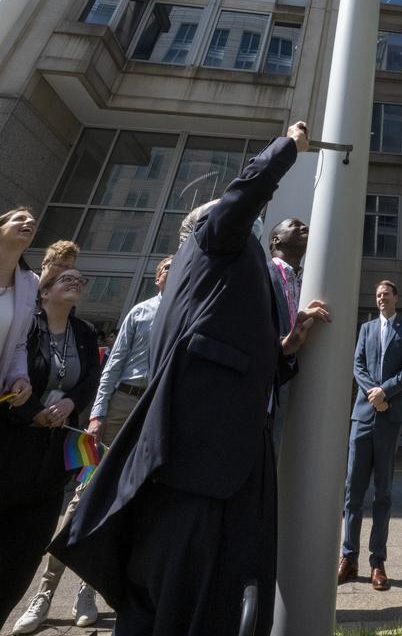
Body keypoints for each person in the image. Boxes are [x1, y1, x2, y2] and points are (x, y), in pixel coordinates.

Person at [52, 122, 330, 636]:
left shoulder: (218, 279)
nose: (254, 221)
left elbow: (236, 349)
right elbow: (243, 194)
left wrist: (286, 349)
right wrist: (289, 145)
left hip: (219, 456)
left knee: (207, 591)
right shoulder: (211, 241)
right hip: (200, 458)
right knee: (179, 588)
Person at [14, 255, 174, 633]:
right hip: (123, 404)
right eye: (167, 266)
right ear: (156, 277)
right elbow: (112, 366)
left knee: (132, 502)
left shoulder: (192, 311)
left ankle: (88, 589)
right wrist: (99, 414)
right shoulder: (140, 312)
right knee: (86, 495)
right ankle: (46, 592)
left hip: (159, 411)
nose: (174, 270)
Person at [0, 263, 100, 625]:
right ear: (44, 292)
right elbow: (12, 370)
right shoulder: (27, 326)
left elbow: (92, 377)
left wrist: (72, 404)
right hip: (13, 442)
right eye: (65, 278)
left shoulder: (85, 331)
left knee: (26, 549)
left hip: (53, 453)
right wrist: (34, 411)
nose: (75, 280)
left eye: (80, 278)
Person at [339, 279, 402, 591]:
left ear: (396, 297)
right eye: (378, 294)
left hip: (389, 419)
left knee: (382, 493)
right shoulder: (366, 329)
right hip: (362, 417)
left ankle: (377, 562)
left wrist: (385, 391)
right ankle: (349, 557)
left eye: (386, 294)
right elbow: (357, 365)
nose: (381, 298)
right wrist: (374, 393)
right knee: (352, 493)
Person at [268, 217, 308, 442]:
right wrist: (281, 346)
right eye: (295, 225)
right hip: (266, 379)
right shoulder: (261, 274)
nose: (305, 227)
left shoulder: (304, 282)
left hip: (294, 380)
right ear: (276, 240)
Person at [0, 207, 38, 412]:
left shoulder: (30, 283)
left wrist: (19, 377)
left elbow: (18, 343)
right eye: (20, 219)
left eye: (33, 223)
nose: (30, 223)